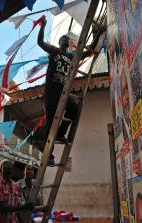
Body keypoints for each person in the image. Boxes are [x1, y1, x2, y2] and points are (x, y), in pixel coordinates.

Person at [37, 17, 102, 165]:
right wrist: (43, 26)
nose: (66, 39)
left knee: (74, 108)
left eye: (67, 38)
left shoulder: (71, 56)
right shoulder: (53, 51)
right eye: (63, 38)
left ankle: (60, 134)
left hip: (63, 90)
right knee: (50, 122)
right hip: (52, 90)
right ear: (60, 42)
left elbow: (89, 50)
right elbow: (40, 42)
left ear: (69, 44)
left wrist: (97, 34)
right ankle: (49, 155)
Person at [0, 159, 34, 223]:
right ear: (0, 169)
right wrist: (23, 207)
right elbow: (2, 207)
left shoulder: (15, 185)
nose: (8, 165)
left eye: (10, 164)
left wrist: (22, 221)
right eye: (5, 164)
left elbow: (17, 206)